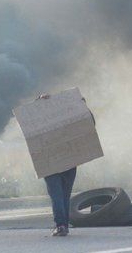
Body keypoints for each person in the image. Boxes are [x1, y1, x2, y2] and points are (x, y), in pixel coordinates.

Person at [38, 93, 94, 237]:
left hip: (65, 161)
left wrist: (83, 108)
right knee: (60, 194)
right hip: (55, 162)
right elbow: (31, 120)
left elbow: (89, 124)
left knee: (61, 195)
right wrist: (39, 101)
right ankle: (62, 225)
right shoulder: (44, 124)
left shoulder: (69, 123)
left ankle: (62, 225)